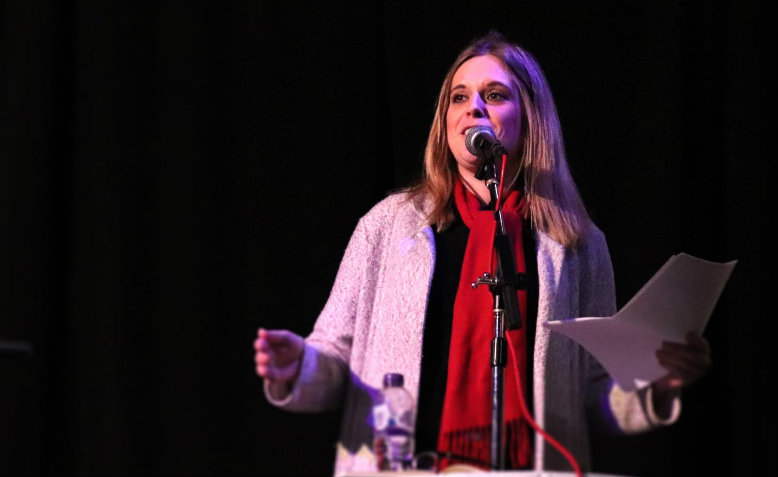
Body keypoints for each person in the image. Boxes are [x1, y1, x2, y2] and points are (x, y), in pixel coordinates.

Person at [253, 31, 711, 476]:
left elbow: (588, 394)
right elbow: (335, 356)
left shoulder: (577, 243)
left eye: (494, 95)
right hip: (403, 470)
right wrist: (299, 366)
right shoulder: (388, 226)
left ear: (530, 117)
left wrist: (655, 381)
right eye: (458, 97)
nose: (473, 107)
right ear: (445, 120)